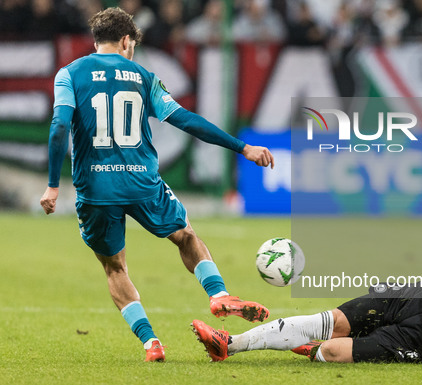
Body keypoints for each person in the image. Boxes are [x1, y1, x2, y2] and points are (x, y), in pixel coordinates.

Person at [39, 7, 275, 362]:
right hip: (142, 182)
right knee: (186, 235)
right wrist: (243, 147)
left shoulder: (69, 74)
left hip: (95, 189)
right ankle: (218, 294)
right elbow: (187, 120)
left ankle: (151, 343)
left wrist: (54, 185)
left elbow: (59, 128)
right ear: (125, 40)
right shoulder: (143, 76)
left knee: (115, 267)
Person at [192, 134, 422, 369]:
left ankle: (307, 346)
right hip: (419, 294)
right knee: (333, 321)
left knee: (331, 349)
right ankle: (229, 343)